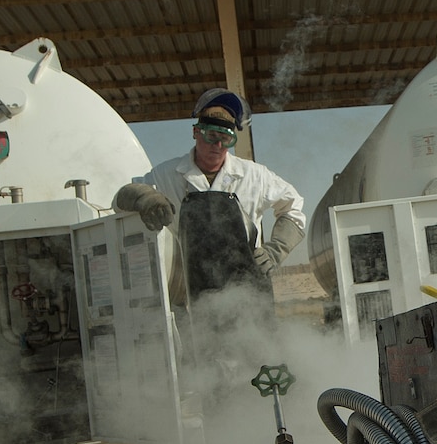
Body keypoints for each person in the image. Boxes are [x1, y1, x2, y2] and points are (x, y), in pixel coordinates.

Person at [114, 88, 306, 307]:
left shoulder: (254, 176)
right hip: (191, 294)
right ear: (196, 132)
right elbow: (120, 200)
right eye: (211, 136)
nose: (218, 146)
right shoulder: (167, 175)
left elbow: (293, 206)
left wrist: (275, 250)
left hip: (250, 297)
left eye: (226, 139)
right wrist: (143, 197)